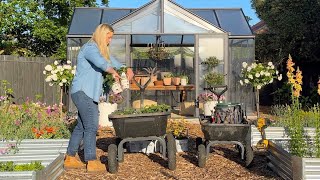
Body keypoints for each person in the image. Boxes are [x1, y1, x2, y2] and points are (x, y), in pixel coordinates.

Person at [64, 23, 134, 172]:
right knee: (91, 126)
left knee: (82, 126)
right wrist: (112, 72)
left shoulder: (102, 51)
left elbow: (112, 61)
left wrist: (126, 68)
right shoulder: (90, 48)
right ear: (102, 35)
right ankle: (91, 160)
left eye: (111, 38)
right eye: (108, 38)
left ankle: (70, 158)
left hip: (86, 93)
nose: (110, 41)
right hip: (83, 92)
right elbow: (102, 63)